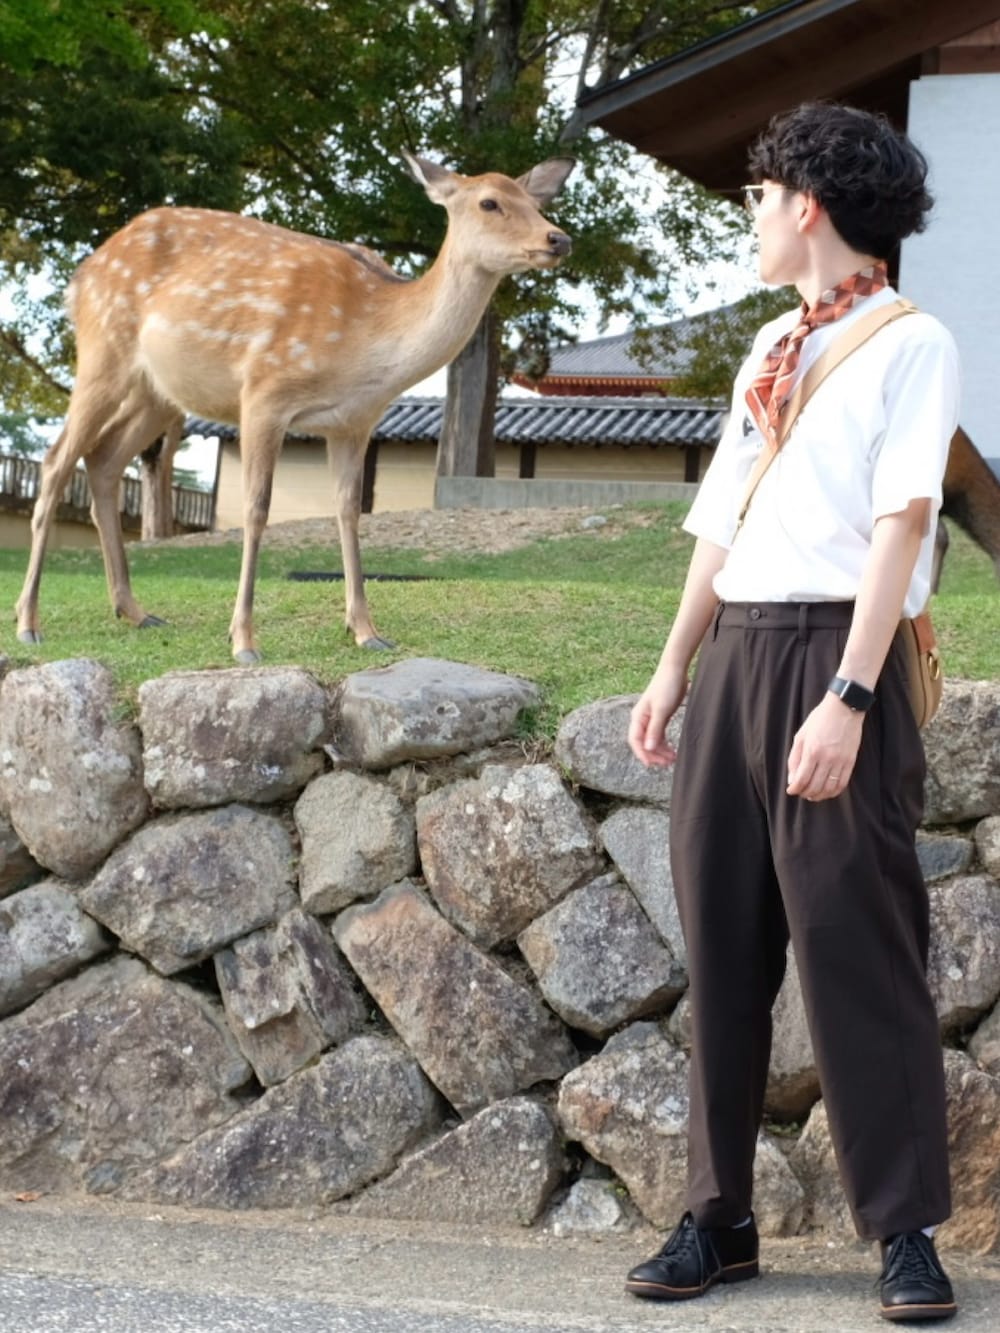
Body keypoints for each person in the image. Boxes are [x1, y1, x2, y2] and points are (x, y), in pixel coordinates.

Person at [624, 102, 960, 1324]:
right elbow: (723, 520)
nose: (752, 219)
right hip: (738, 658)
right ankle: (718, 1219)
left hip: (835, 655)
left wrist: (851, 696)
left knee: (854, 948)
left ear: (804, 204)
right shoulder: (771, 345)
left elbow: (901, 525)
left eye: (758, 198)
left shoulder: (910, 344)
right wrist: (673, 670)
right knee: (721, 946)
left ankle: (906, 1232)